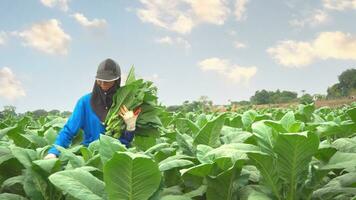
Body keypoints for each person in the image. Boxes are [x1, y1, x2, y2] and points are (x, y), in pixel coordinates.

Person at [44, 58, 140, 159]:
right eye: (100, 80)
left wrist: (130, 127)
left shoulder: (126, 103)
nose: (102, 84)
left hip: (118, 157)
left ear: (116, 81)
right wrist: (54, 152)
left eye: (107, 81)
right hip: (91, 157)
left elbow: (125, 141)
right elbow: (69, 130)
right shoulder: (85, 102)